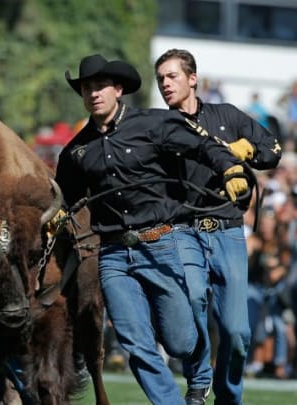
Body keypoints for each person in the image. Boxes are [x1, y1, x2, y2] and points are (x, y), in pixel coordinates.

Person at [53, 54, 249, 404]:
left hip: (161, 243)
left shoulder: (153, 124)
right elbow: (65, 200)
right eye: (86, 88)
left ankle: (198, 364)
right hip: (113, 255)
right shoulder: (75, 151)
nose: (93, 93)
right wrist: (55, 214)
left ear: (118, 89)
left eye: (100, 86)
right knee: (135, 344)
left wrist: (231, 170)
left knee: (179, 343)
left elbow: (203, 145)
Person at [154, 48, 282, 405]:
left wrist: (245, 151)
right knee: (194, 298)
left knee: (237, 332)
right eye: (160, 78)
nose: (165, 84)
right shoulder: (157, 127)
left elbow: (272, 149)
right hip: (183, 229)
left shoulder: (227, 116)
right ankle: (199, 379)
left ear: (193, 79)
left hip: (227, 229)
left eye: (172, 76)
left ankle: (229, 397)